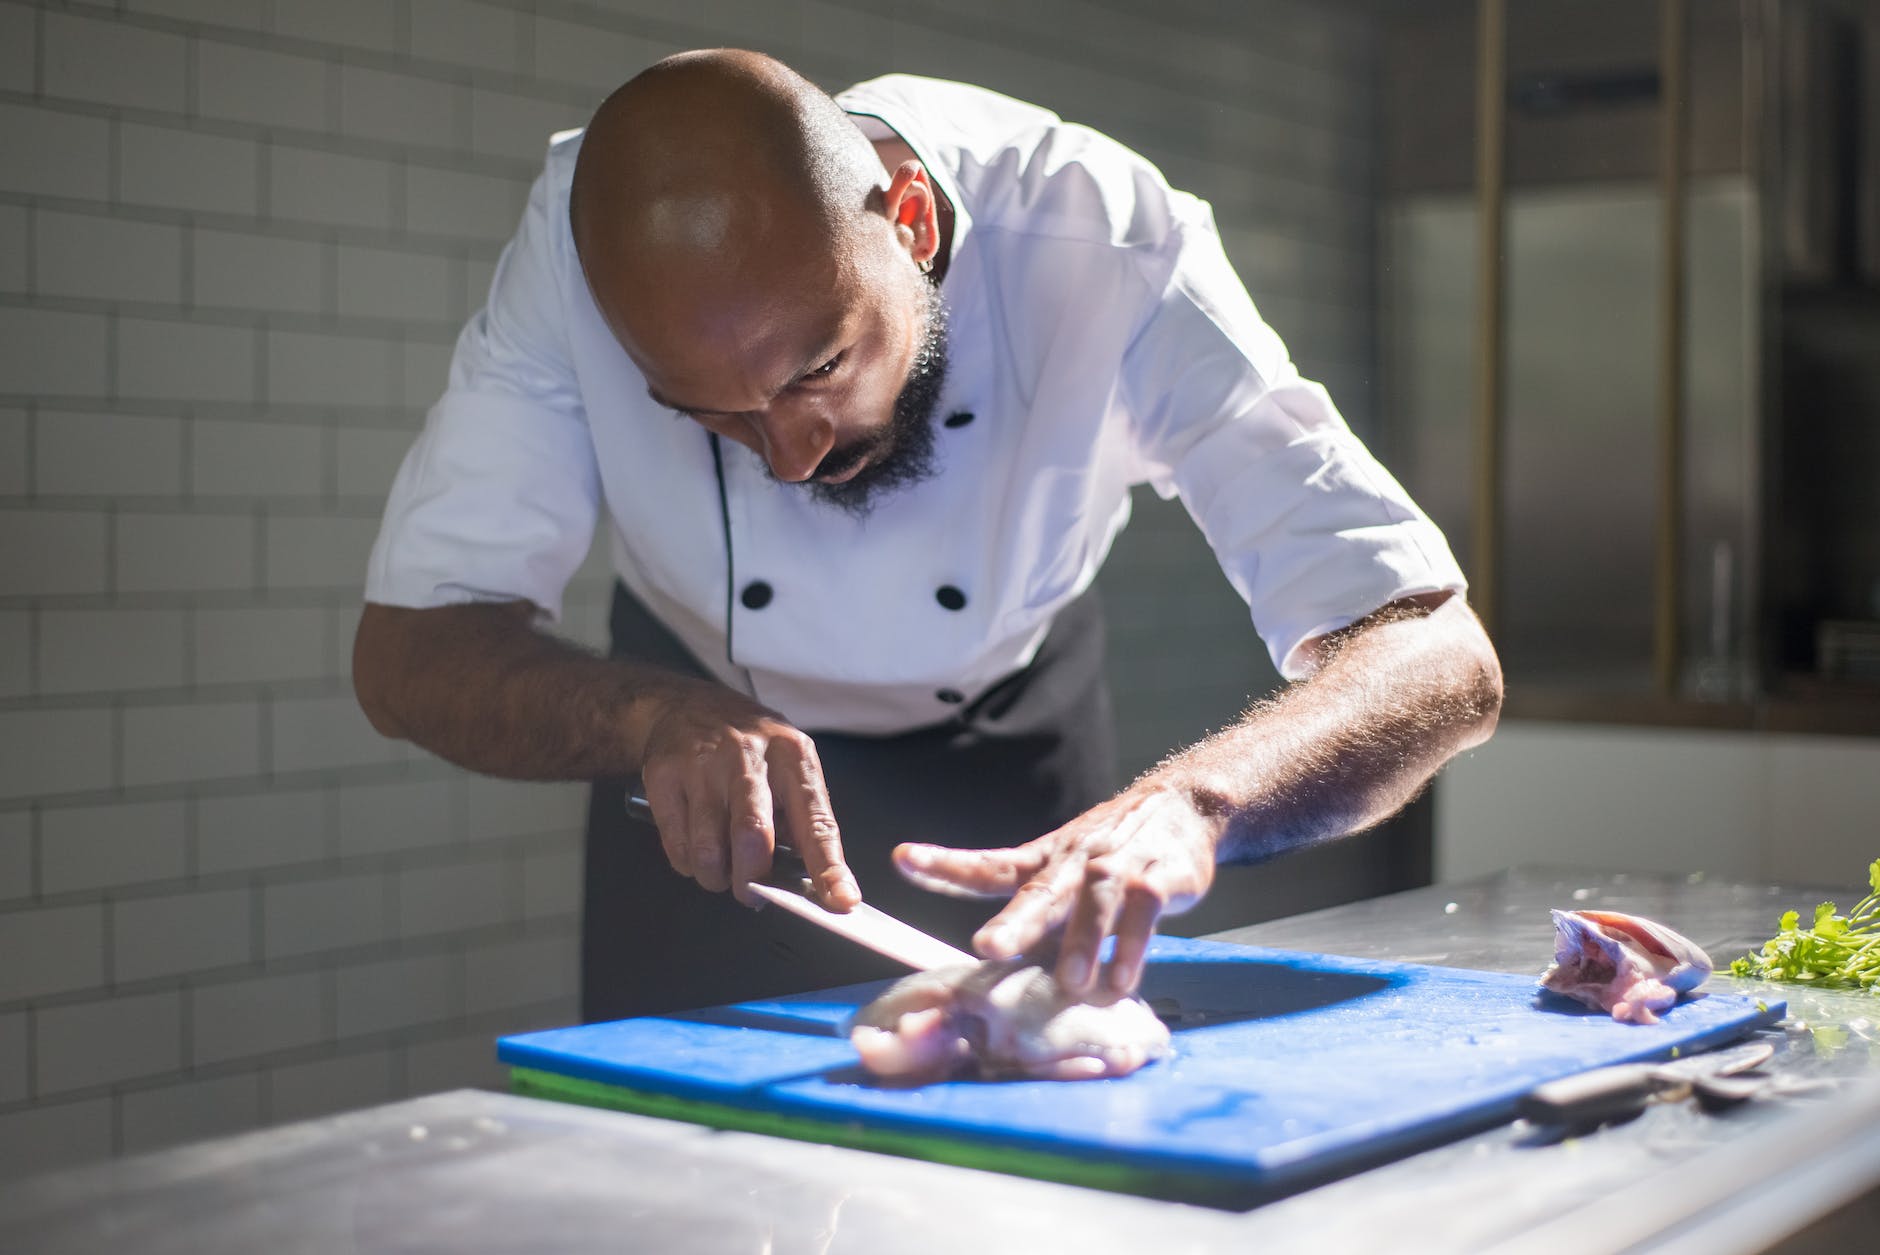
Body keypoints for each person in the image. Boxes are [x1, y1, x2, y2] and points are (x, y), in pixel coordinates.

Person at [352, 50, 1502, 1023]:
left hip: (1011, 767)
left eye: (818, 368)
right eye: (710, 416)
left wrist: (1197, 802)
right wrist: (647, 714)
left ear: (906, 221)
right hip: (705, 776)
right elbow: (409, 653)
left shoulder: (1103, 241)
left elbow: (1436, 653)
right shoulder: (570, 249)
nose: (789, 456)